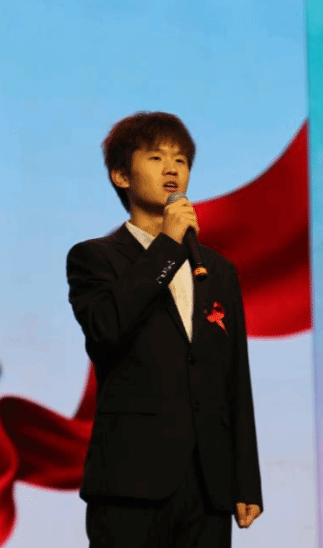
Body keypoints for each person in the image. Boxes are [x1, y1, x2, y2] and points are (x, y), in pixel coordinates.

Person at [66, 111, 263, 547]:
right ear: (121, 175)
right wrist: (168, 246)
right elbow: (107, 328)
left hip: (208, 487)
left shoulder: (218, 271)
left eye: (181, 160)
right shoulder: (94, 258)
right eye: (155, 158)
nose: (172, 168)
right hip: (130, 483)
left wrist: (245, 479)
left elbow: (235, 377)